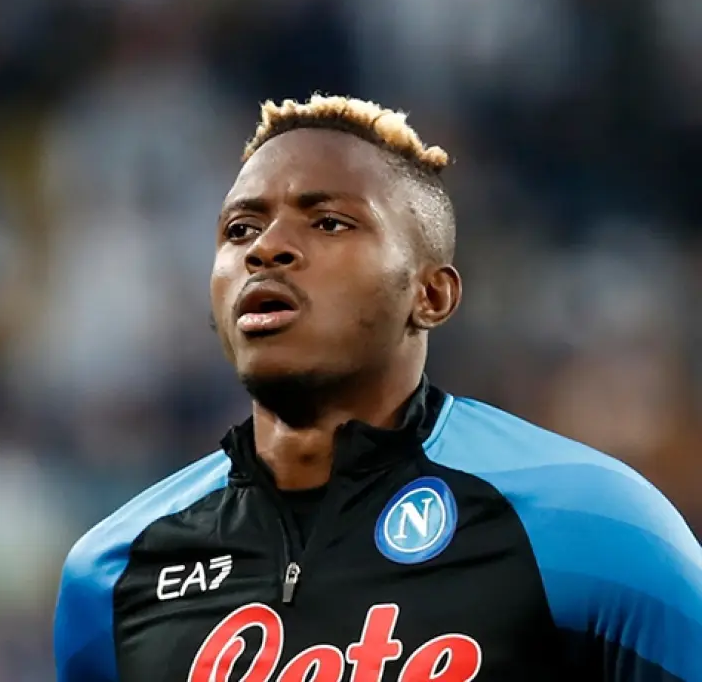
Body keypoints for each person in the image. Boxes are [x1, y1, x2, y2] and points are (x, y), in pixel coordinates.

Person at [52, 95, 702, 682]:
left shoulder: (594, 524)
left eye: (329, 222)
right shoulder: (110, 574)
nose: (266, 249)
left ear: (431, 295)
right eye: (240, 230)